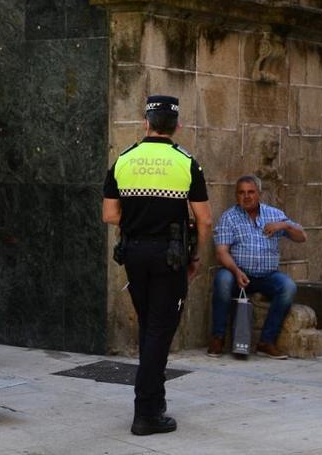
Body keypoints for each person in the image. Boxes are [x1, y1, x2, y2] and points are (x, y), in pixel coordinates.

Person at [102, 95, 212, 436]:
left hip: (134, 254)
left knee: (151, 326)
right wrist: (195, 256)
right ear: (177, 126)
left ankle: (156, 400)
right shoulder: (187, 163)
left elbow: (109, 214)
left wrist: (135, 225)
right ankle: (146, 413)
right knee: (160, 332)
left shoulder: (124, 160)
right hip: (170, 257)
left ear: (146, 123)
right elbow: (204, 220)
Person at [207, 175, 307, 359]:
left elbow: (302, 237)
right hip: (237, 273)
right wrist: (236, 271)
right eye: (242, 193)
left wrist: (283, 225)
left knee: (288, 287)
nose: (247, 196)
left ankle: (266, 341)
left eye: (251, 192)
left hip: (267, 275)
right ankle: (217, 337)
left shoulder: (274, 214)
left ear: (259, 194)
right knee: (222, 280)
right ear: (236, 196)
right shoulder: (229, 217)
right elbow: (221, 252)